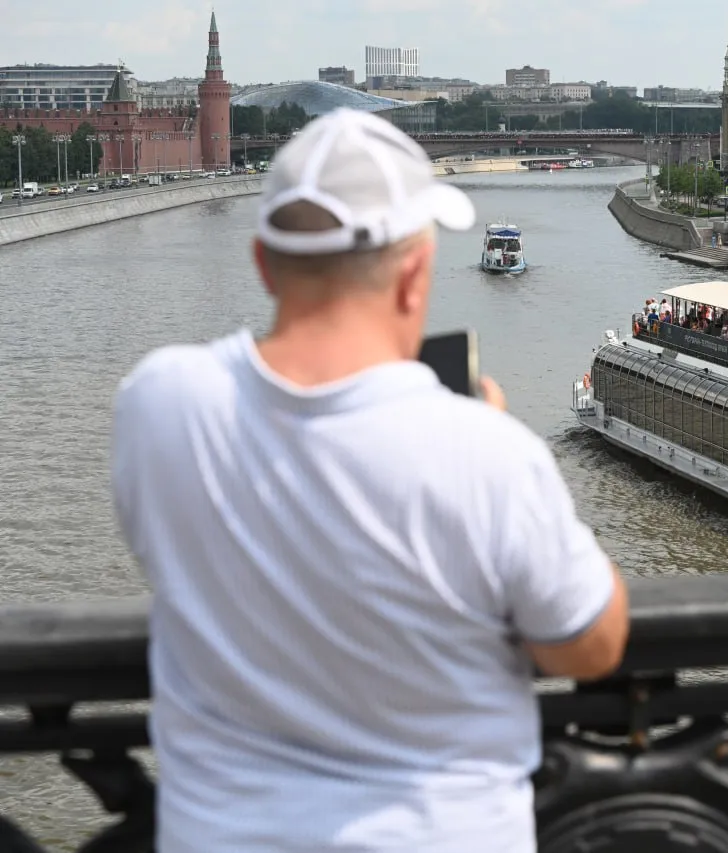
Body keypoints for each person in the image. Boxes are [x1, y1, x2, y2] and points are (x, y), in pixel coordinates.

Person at [110, 109, 630, 853]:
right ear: (416, 272)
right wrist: (494, 445)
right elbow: (591, 644)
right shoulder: (485, 452)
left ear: (264, 264)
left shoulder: (157, 404)